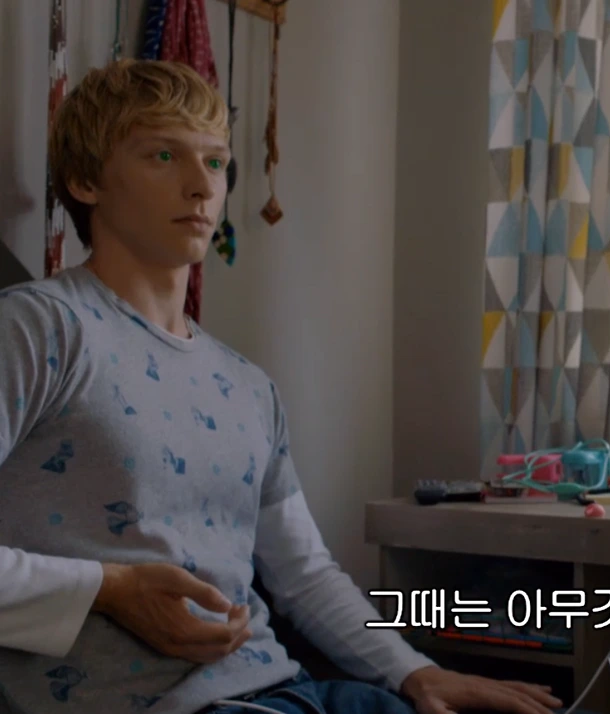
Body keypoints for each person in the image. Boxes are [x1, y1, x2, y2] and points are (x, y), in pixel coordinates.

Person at [0, 59, 563, 714]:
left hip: (289, 690)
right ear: (85, 180)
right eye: (163, 156)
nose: (201, 186)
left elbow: (304, 575)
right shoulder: (39, 328)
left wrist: (416, 673)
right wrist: (110, 588)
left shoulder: (247, 386)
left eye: (216, 163)